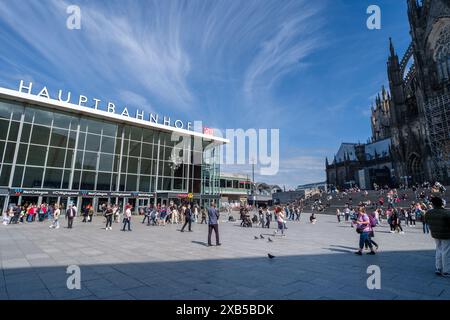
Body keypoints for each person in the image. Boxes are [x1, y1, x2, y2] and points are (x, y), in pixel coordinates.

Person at [424, 196, 450, 276]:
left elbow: (426, 221)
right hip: (446, 234)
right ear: (441, 203)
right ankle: (446, 270)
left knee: (438, 249)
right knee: (446, 251)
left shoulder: (429, 212)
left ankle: (438, 268)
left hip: (435, 234)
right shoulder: (446, 212)